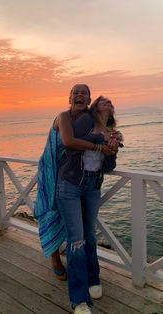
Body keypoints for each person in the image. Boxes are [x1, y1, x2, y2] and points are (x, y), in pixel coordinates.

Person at [34, 85, 114, 282]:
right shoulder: (63, 117)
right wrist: (99, 146)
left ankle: (78, 263)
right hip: (52, 170)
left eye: (84, 93)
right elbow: (69, 141)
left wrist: (113, 139)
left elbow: (102, 133)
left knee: (74, 225)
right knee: (52, 213)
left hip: (73, 174)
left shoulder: (90, 120)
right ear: (69, 99)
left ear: (89, 101)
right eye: (75, 93)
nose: (79, 95)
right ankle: (55, 258)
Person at [56, 95, 122, 313]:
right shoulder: (85, 120)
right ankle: (79, 299)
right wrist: (103, 141)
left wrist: (113, 149)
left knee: (90, 236)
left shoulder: (111, 131)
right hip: (71, 184)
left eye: (111, 103)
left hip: (93, 186)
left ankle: (94, 279)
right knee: (76, 240)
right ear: (96, 106)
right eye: (105, 101)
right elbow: (72, 145)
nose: (109, 104)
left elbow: (109, 167)